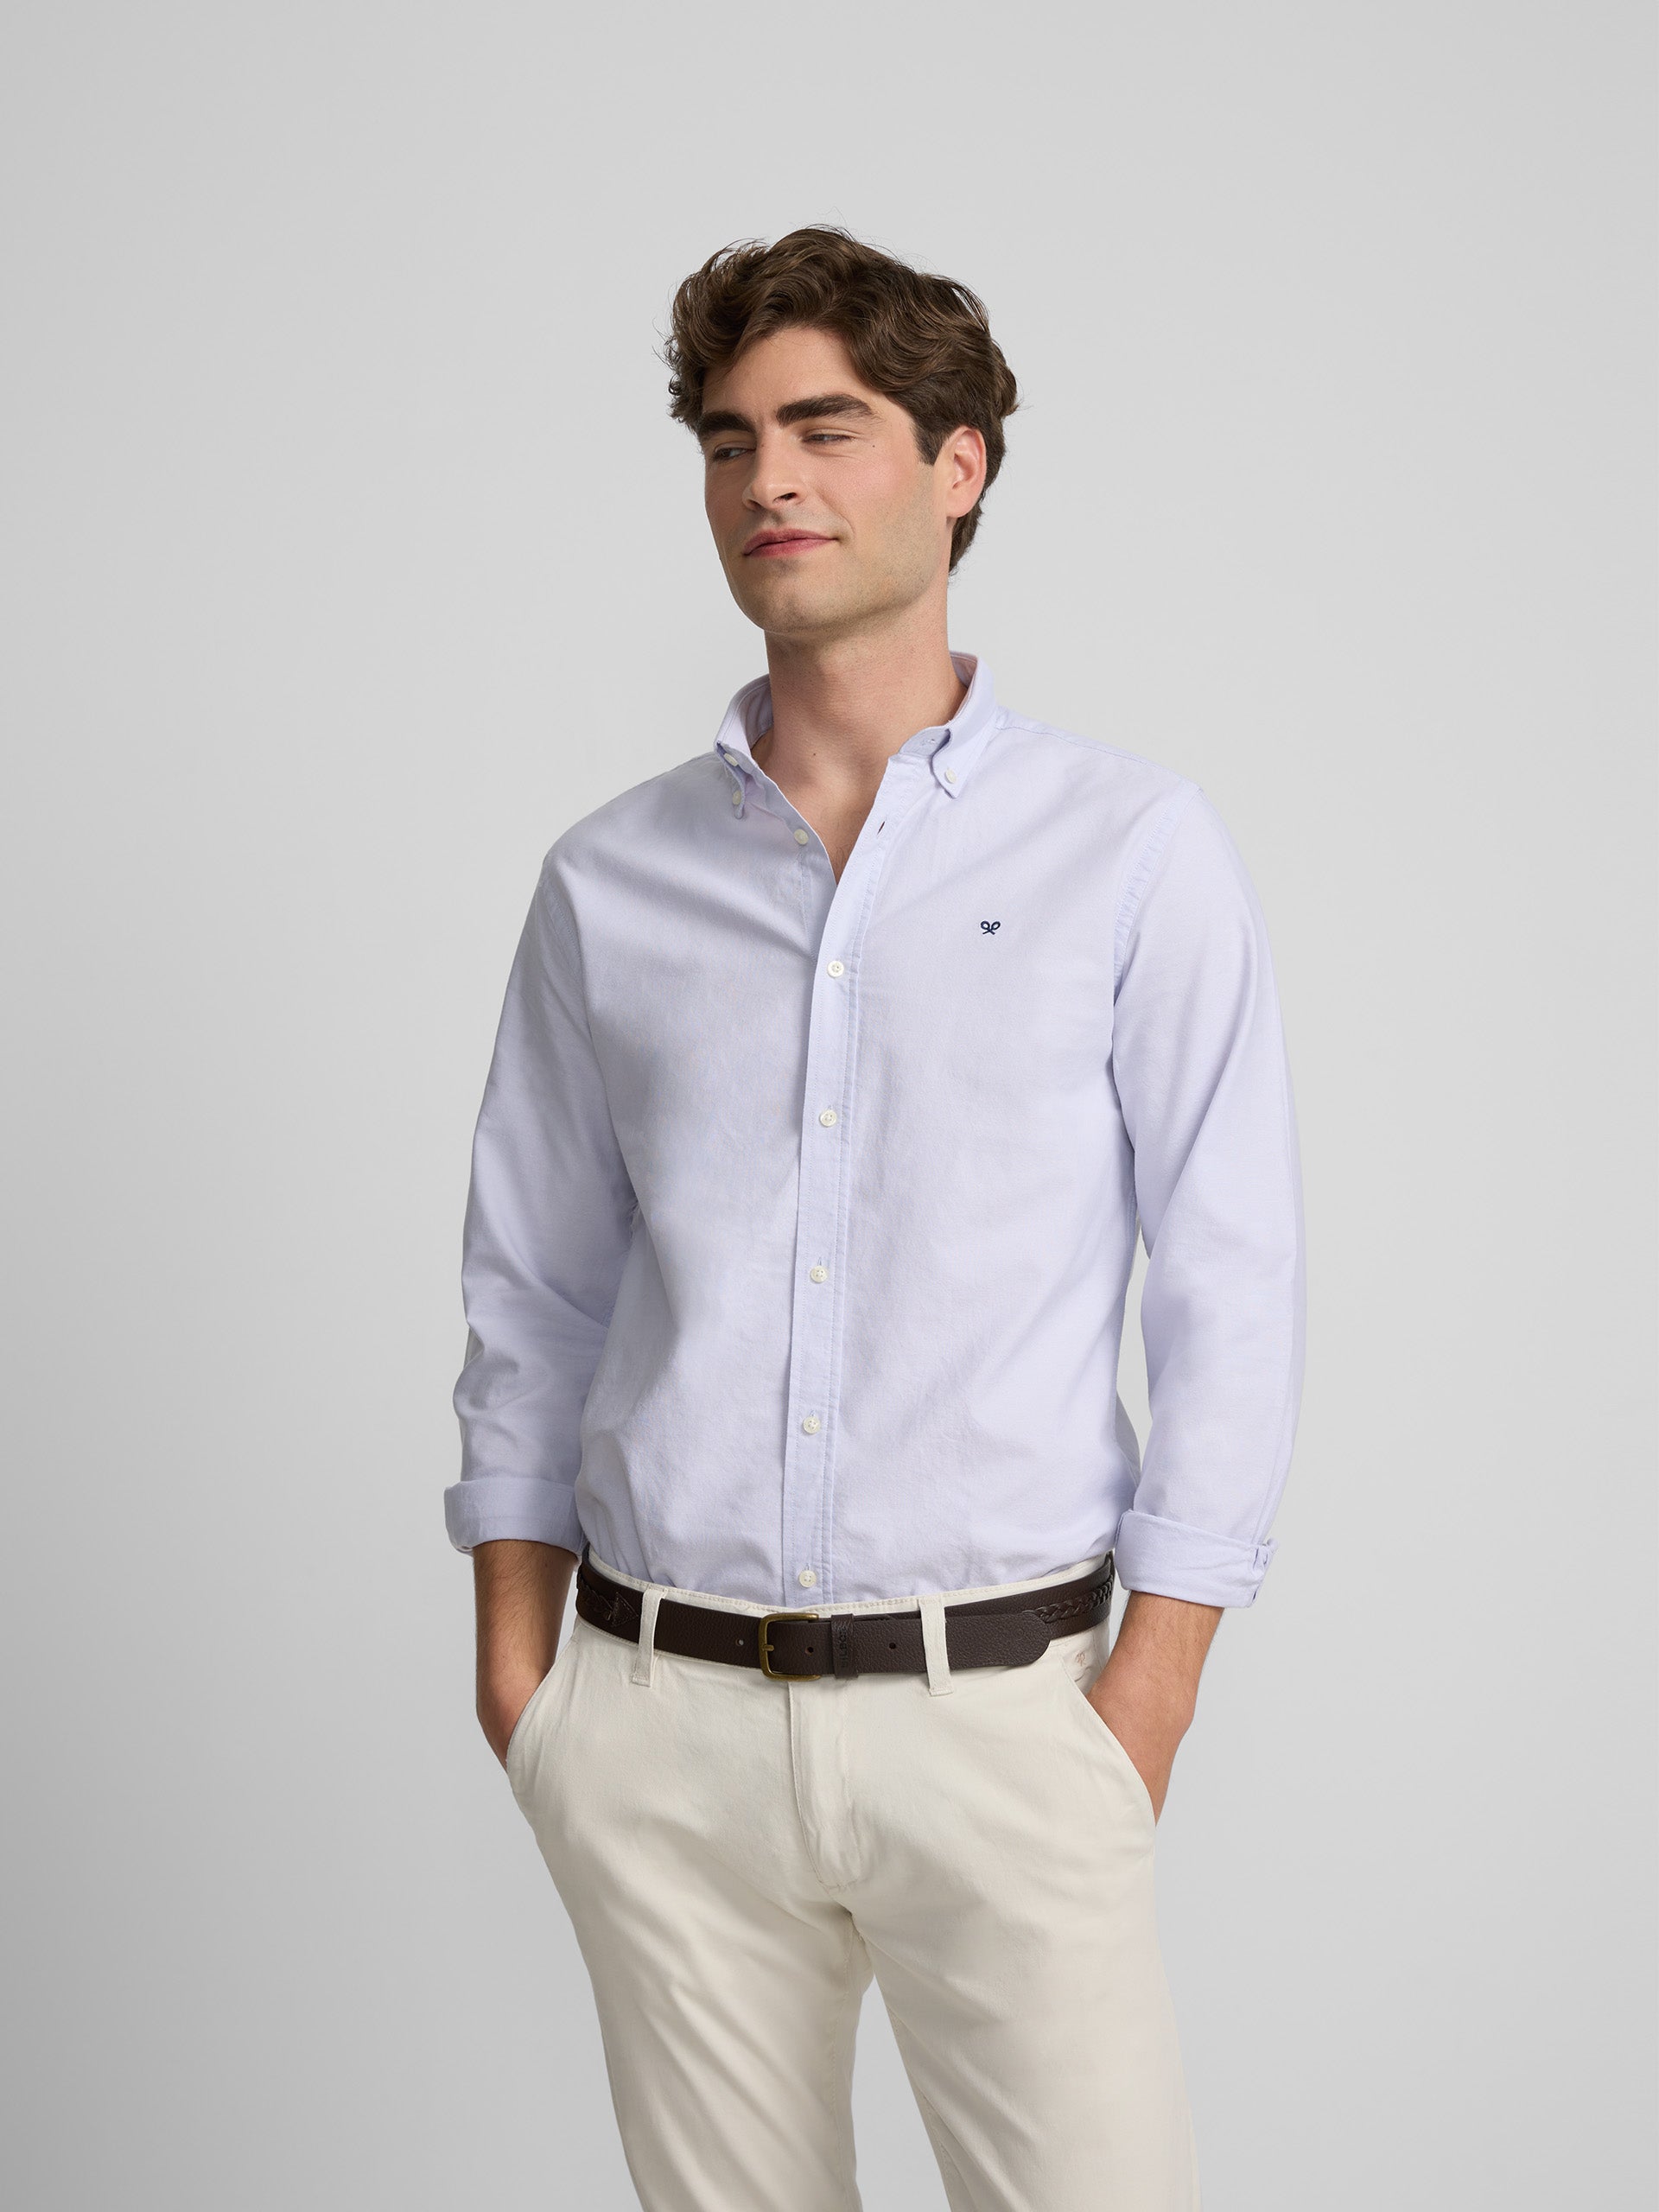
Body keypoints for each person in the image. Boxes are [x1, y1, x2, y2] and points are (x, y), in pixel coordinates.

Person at [444, 225, 1306, 2212]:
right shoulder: (608, 881)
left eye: (826, 429)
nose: (772, 481)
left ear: (959, 463)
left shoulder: (1131, 848)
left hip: (1005, 1724)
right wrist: (525, 1675)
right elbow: (536, 1282)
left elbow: (1230, 1281)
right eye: (731, 441)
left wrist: (1150, 1690)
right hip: (659, 1726)